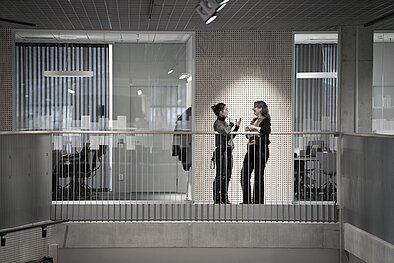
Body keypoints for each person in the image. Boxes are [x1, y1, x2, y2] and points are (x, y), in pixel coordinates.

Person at [241, 100, 271, 204]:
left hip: (260, 150)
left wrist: (253, 128)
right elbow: (248, 135)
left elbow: (266, 130)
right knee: (244, 174)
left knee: (258, 176)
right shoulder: (254, 120)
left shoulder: (265, 120)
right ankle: (247, 200)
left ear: (261, 109)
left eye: (256, 107)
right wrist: (248, 131)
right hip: (251, 149)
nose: (253, 109)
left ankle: (258, 201)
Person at [211, 103, 241, 204]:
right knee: (220, 175)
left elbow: (230, 137)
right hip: (221, 151)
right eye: (226, 109)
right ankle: (218, 198)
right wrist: (232, 124)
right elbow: (226, 132)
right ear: (220, 112)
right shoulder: (218, 123)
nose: (227, 111)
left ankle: (224, 197)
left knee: (227, 175)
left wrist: (236, 127)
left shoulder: (224, 123)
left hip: (227, 151)